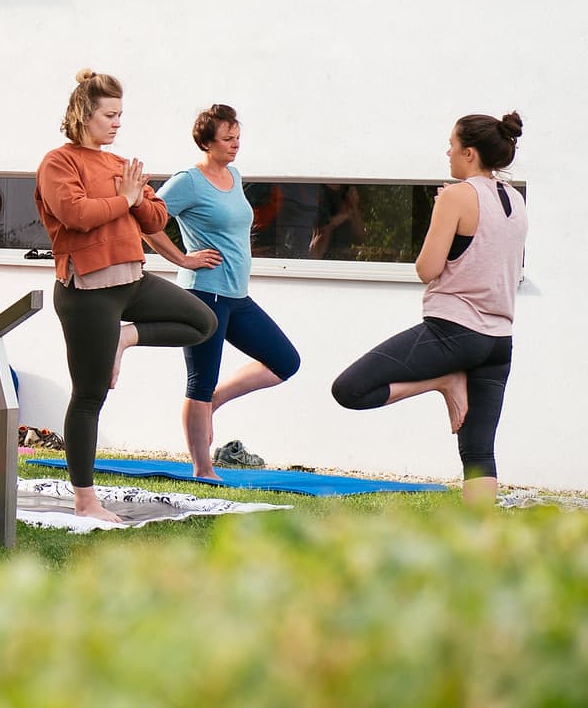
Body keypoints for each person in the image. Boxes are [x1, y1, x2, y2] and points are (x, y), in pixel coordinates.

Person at [35, 70, 217, 522]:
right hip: (88, 293)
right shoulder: (58, 163)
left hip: (133, 281)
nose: (117, 123)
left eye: (120, 115)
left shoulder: (120, 165)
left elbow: (156, 219)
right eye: (109, 115)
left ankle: (126, 337)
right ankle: (85, 499)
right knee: (89, 396)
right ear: (84, 114)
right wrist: (125, 199)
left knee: (203, 323)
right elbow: (76, 215)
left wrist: (133, 197)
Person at [332, 113, 527, 506]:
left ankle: (442, 382)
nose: (448, 151)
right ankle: (482, 549)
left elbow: (427, 269)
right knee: (478, 454)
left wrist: (442, 212)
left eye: (452, 145)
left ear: (469, 153)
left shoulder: (456, 196)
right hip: (498, 342)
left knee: (349, 389)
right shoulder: (516, 200)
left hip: (453, 332)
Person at [144, 104, 302, 478]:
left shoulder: (233, 174)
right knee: (200, 383)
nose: (235, 145)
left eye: (237, 137)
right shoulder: (188, 180)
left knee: (285, 361)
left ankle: (214, 402)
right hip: (204, 294)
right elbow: (148, 222)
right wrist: (182, 259)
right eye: (227, 138)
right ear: (206, 142)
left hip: (236, 296)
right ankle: (203, 468)